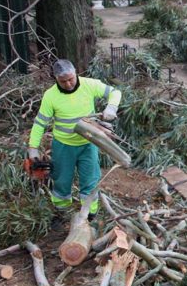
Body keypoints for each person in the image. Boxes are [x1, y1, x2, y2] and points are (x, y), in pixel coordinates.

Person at [27, 59, 122, 229]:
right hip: (63, 146)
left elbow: (115, 92)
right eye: (63, 81)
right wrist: (33, 148)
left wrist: (111, 108)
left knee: (90, 179)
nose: (69, 84)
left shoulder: (89, 85)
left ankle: (90, 215)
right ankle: (62, 213)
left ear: (76, 73)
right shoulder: (51, 95)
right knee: (61, 181)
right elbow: (40, 123)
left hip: (88, 143)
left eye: (71, 79)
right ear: (56, 79)